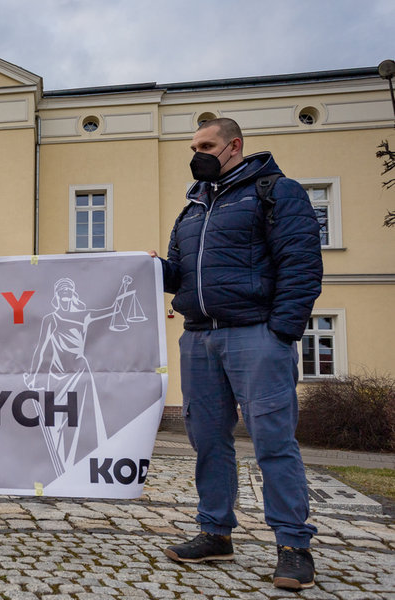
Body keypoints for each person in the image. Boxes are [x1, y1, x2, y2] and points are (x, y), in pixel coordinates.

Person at [150, 118, 322, 590]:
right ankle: (215, 532)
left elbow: (302, 264)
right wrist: (153, 269)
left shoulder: (276, 192)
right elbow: (181, 274)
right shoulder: (191, 209)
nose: (197, 154)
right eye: (193, 147)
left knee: (273, 442)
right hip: (199, 338)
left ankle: (293, 545)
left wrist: (281, 332)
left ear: (234, 146)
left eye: (206, 145)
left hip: (256, 336)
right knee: (207, 440)